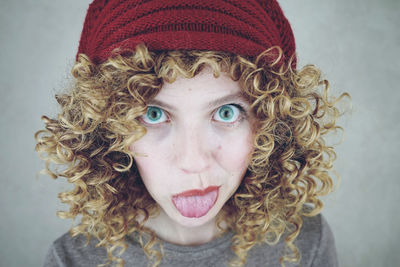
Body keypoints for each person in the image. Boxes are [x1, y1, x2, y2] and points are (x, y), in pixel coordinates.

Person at [35, 0, 347, 266]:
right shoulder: (73, 260)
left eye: (227, 113)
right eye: (153, 114)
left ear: (270, 120)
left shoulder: (305, 242)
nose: (194, 162)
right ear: (108, 125)